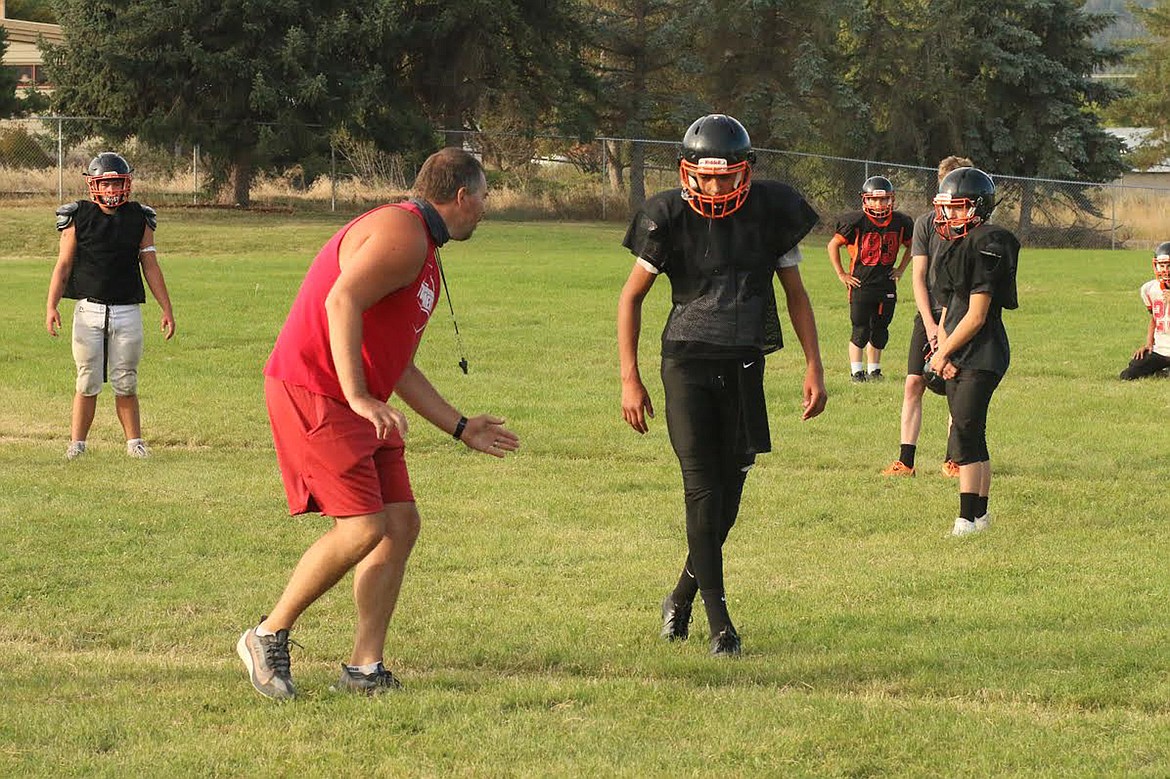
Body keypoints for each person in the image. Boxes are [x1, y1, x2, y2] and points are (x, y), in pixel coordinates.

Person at [237, 148, 519, 700]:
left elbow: (399, 361)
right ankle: (266, 634)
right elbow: (340, 301)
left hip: (360, 398)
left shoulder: (422, 245)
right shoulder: (404, 232)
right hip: (318, 390)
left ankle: (364, 669)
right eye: (484, 196)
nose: (486, 208)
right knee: (363, 528)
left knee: (400, 523)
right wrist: (359, 395)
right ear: (461, 195)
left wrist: (460, 427)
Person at [618, 114, 827, 657]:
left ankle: (680, 597)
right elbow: (630, 298)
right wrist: (630, 378)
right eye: (704, 178)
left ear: (746, 172)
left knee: (730, 492)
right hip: (685, 362)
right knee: (701, 487)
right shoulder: (666, 215)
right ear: (687, 173)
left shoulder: (770, 211)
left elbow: (795, 295)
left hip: (744, 363)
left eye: (725, 177)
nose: (714, 188)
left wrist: (814, 365)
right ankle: (720, 624)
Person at [45, 152, 175, 460]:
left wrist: (166, 308)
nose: (112, 191)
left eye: (117, 184)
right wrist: (51, 305)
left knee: (126, 379)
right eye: (106, 184)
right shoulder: (78, 216)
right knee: (87, 379)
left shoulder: (139, 217)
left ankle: (135, 443)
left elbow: (151, 266)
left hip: (127, 309)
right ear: (95, 186)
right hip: (88, 309)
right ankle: (77, 444)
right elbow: (63, 266)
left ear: (127, 184)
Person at [927, 167, 1019, 536]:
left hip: (982, 351)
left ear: (978, 208)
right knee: (972, 433)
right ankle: (979, 516)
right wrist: (940, 347)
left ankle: (966, 519)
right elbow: (950, 305)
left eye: (958, 207)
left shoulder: (988, 243)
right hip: (959, 350)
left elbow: (978, 315)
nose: (948, 215)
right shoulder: (955, 247)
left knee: (965, 432)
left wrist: (945, 352)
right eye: (946, 208)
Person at [881, 156, 973, 478]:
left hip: (960, 317)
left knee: (955, 389)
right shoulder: (924, 224)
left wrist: (946, 329)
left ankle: (954, 459)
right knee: (913, 383)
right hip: (928, 315)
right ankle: (905, 461)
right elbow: (918, 276)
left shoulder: (972, 228)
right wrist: (931, 325)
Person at [827, 176, 914, 381]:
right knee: (860, 329)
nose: (879, 204)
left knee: (881, 329)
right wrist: (841, 273)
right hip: (861, 283)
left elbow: (912, 245)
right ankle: (857, 371)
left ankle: (874, 370)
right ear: (865, 200)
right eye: (874, 199)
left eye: (884, 199)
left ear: (891, 199)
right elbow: (833, 245)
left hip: (886, 284)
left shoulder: (901, 222)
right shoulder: (855, 221)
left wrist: (901, 269)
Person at [1119, 242, 1170, 380]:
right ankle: (1164, 368)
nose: (1165, 270)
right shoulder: (1150, 289)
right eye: (1162, 265)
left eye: (1169, 265)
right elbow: (1154, 319)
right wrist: (1148, 344)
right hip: (1161, 349)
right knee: (1129, 373)